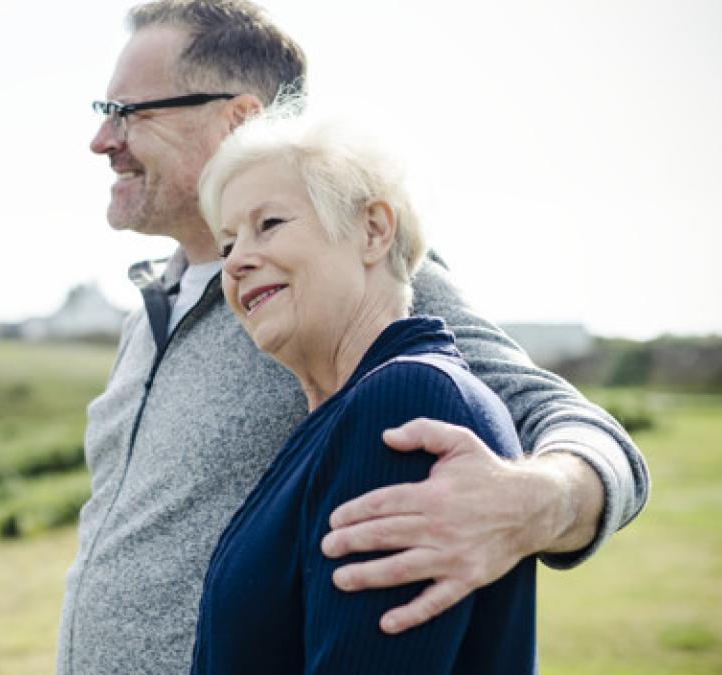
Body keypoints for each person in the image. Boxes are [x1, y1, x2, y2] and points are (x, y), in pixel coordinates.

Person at [57, 2, 649, 672]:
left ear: (242, 119)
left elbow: (569, 422)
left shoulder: (347, 276)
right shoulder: (149, 312)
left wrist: (539, 501)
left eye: (127, 110)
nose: (102, 139)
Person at [192, 108, 534, 673]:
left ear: (374, 230)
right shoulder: (340, 419)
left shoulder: (405, 403)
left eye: (269, 223)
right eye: (227, 246)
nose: (237, 263)